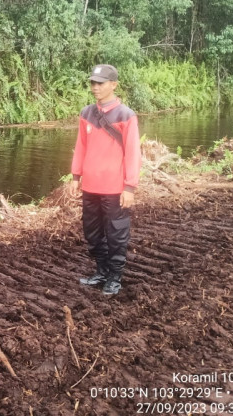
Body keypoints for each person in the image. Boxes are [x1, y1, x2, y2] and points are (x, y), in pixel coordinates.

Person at [70, 64, 141, 296]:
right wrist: (76, 176)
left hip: (114, 188)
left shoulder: (126, 115)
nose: (95, 87)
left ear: (114, 85)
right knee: (92, 232)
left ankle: (114, 277)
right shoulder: (86, 113)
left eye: (100, 83)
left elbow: (133, 153)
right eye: (93, 83)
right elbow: (81, 146)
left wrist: (129, 186)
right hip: (91, 186)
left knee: (116, 234)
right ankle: (101, 271)